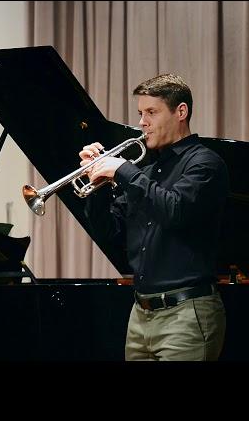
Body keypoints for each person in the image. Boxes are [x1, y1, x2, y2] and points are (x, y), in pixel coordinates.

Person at [80, 74, 229, 361]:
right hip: (140, 315)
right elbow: (110, 232)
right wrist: (97, 185)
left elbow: (174, 211)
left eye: (152, 112)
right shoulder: (146, 172)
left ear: (181, 112)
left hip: (186, 314)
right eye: (140, 114)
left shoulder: (204, 163)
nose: (142, 122)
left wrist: (123, 171)